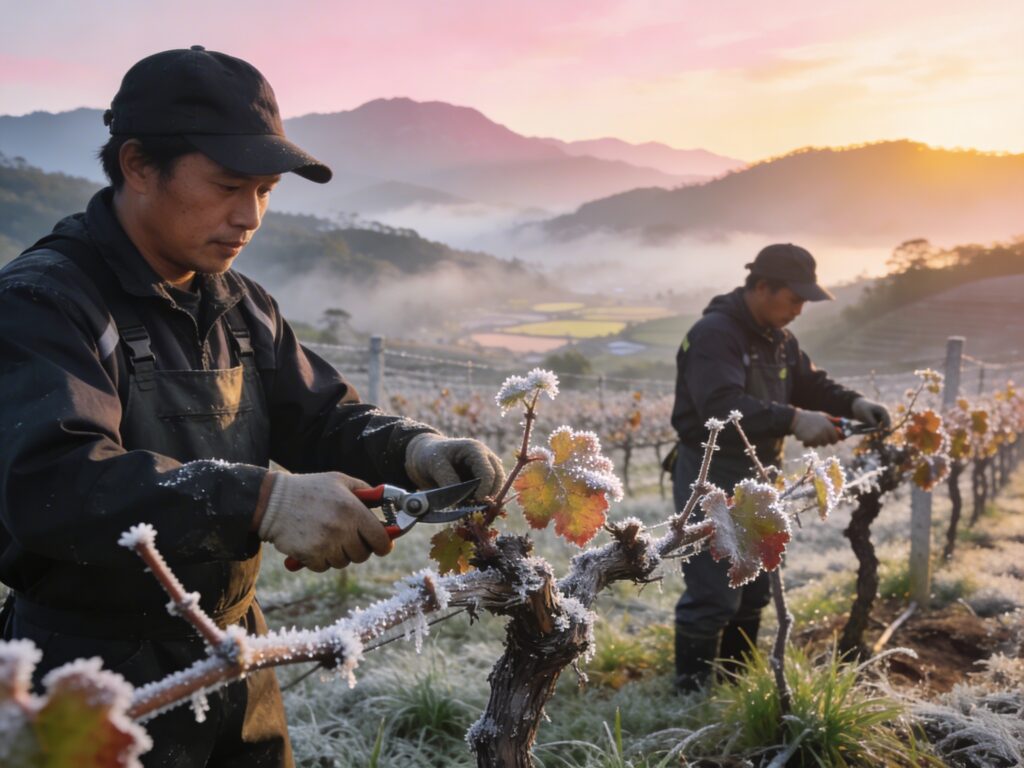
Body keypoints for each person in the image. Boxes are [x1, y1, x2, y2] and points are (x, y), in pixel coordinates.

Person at [0, 46, 504, 766]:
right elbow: (55, 482)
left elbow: (321, 418)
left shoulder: (242, 305)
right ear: (139, 165)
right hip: (90, 678)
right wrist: (262, 502)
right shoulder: (45, 303)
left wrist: (411, 450)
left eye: (266, 190)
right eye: (230, 185)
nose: (251, 216)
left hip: (237, 652)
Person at [669, 243, 889, 692]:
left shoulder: (780, 338)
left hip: (762, 471)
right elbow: (722, 406)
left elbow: (810, 383)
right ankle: (689, 693)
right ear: (763, 287)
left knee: (753, 586)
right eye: (795, 299)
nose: (800, 310)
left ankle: (732, 679)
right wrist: (792, 419)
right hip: (712, 474)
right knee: (713, 590)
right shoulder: (715, 334)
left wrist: (853, 403)